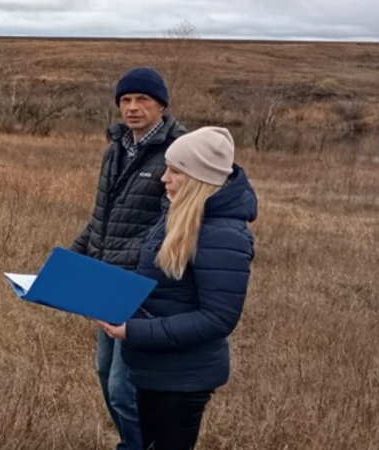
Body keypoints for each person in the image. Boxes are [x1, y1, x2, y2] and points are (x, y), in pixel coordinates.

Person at [98, 127, 257, 450]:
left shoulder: (222, 234)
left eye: (175, 171)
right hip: (153, 369)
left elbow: (217, 319)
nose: (164, 178)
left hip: (183, 378)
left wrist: (135, 331)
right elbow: (163, 288)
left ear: (199, 179)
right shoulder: (178, 214)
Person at [72, 67, 187, 450]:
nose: (132, 108)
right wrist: (72, 260)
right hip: (106, 282)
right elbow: (102, 218)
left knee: (125, 385)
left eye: (142, 100)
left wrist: (134, 276)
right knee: (106, 373)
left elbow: (170, 226)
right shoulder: (116, 149)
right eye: (125, 100)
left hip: (140, 286)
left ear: (161, 105)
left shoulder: (176, 153)